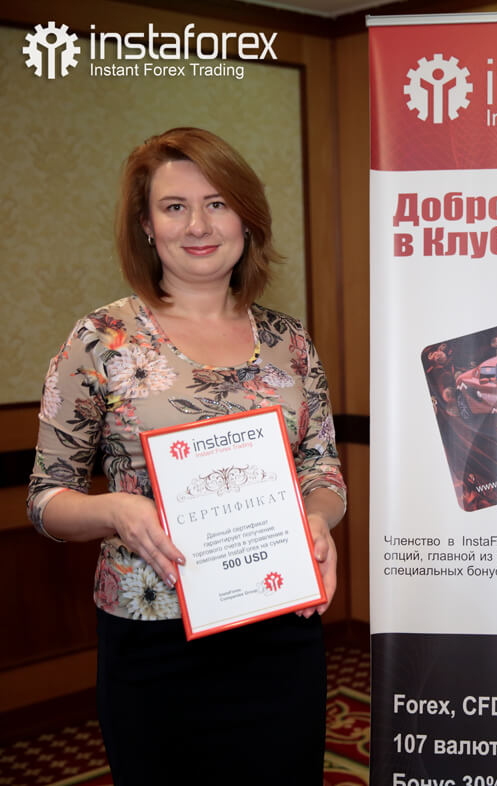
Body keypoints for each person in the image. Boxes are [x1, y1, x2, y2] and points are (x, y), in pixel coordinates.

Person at [27, 127, 347, 785]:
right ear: (147, 225)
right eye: (174, 206)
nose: (198, 225)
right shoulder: (101, 339)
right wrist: (115, 511)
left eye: (218, 203)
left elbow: (322, 468)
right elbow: (44, 498)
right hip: (152, 635)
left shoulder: (290, 342)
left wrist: (317, 519)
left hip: (278, 621)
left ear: (246, 218)